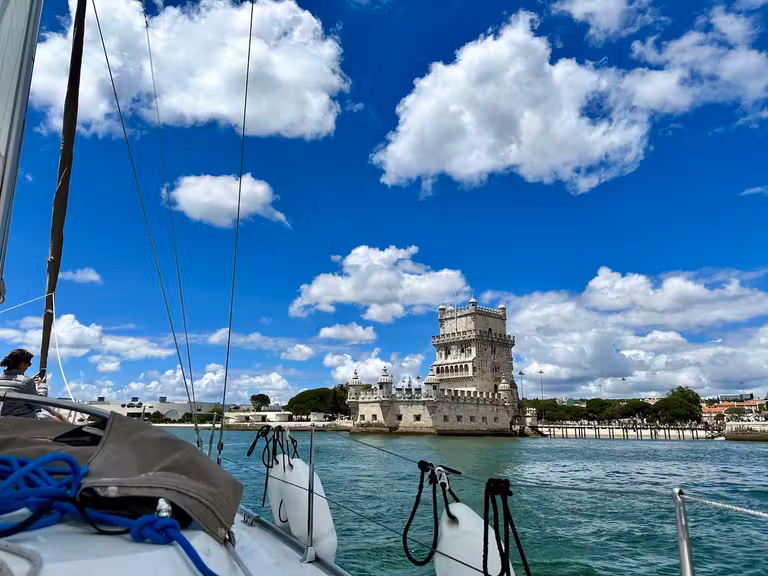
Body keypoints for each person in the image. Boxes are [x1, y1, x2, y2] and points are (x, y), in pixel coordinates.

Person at [0, 348, 50, 418]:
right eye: (29, 364)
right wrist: (42, 385)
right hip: (21, 420)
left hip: (3, 419)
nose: (28, 366)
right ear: (22, 363)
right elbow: (39, 404)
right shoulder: (26, 382)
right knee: (52, 418)